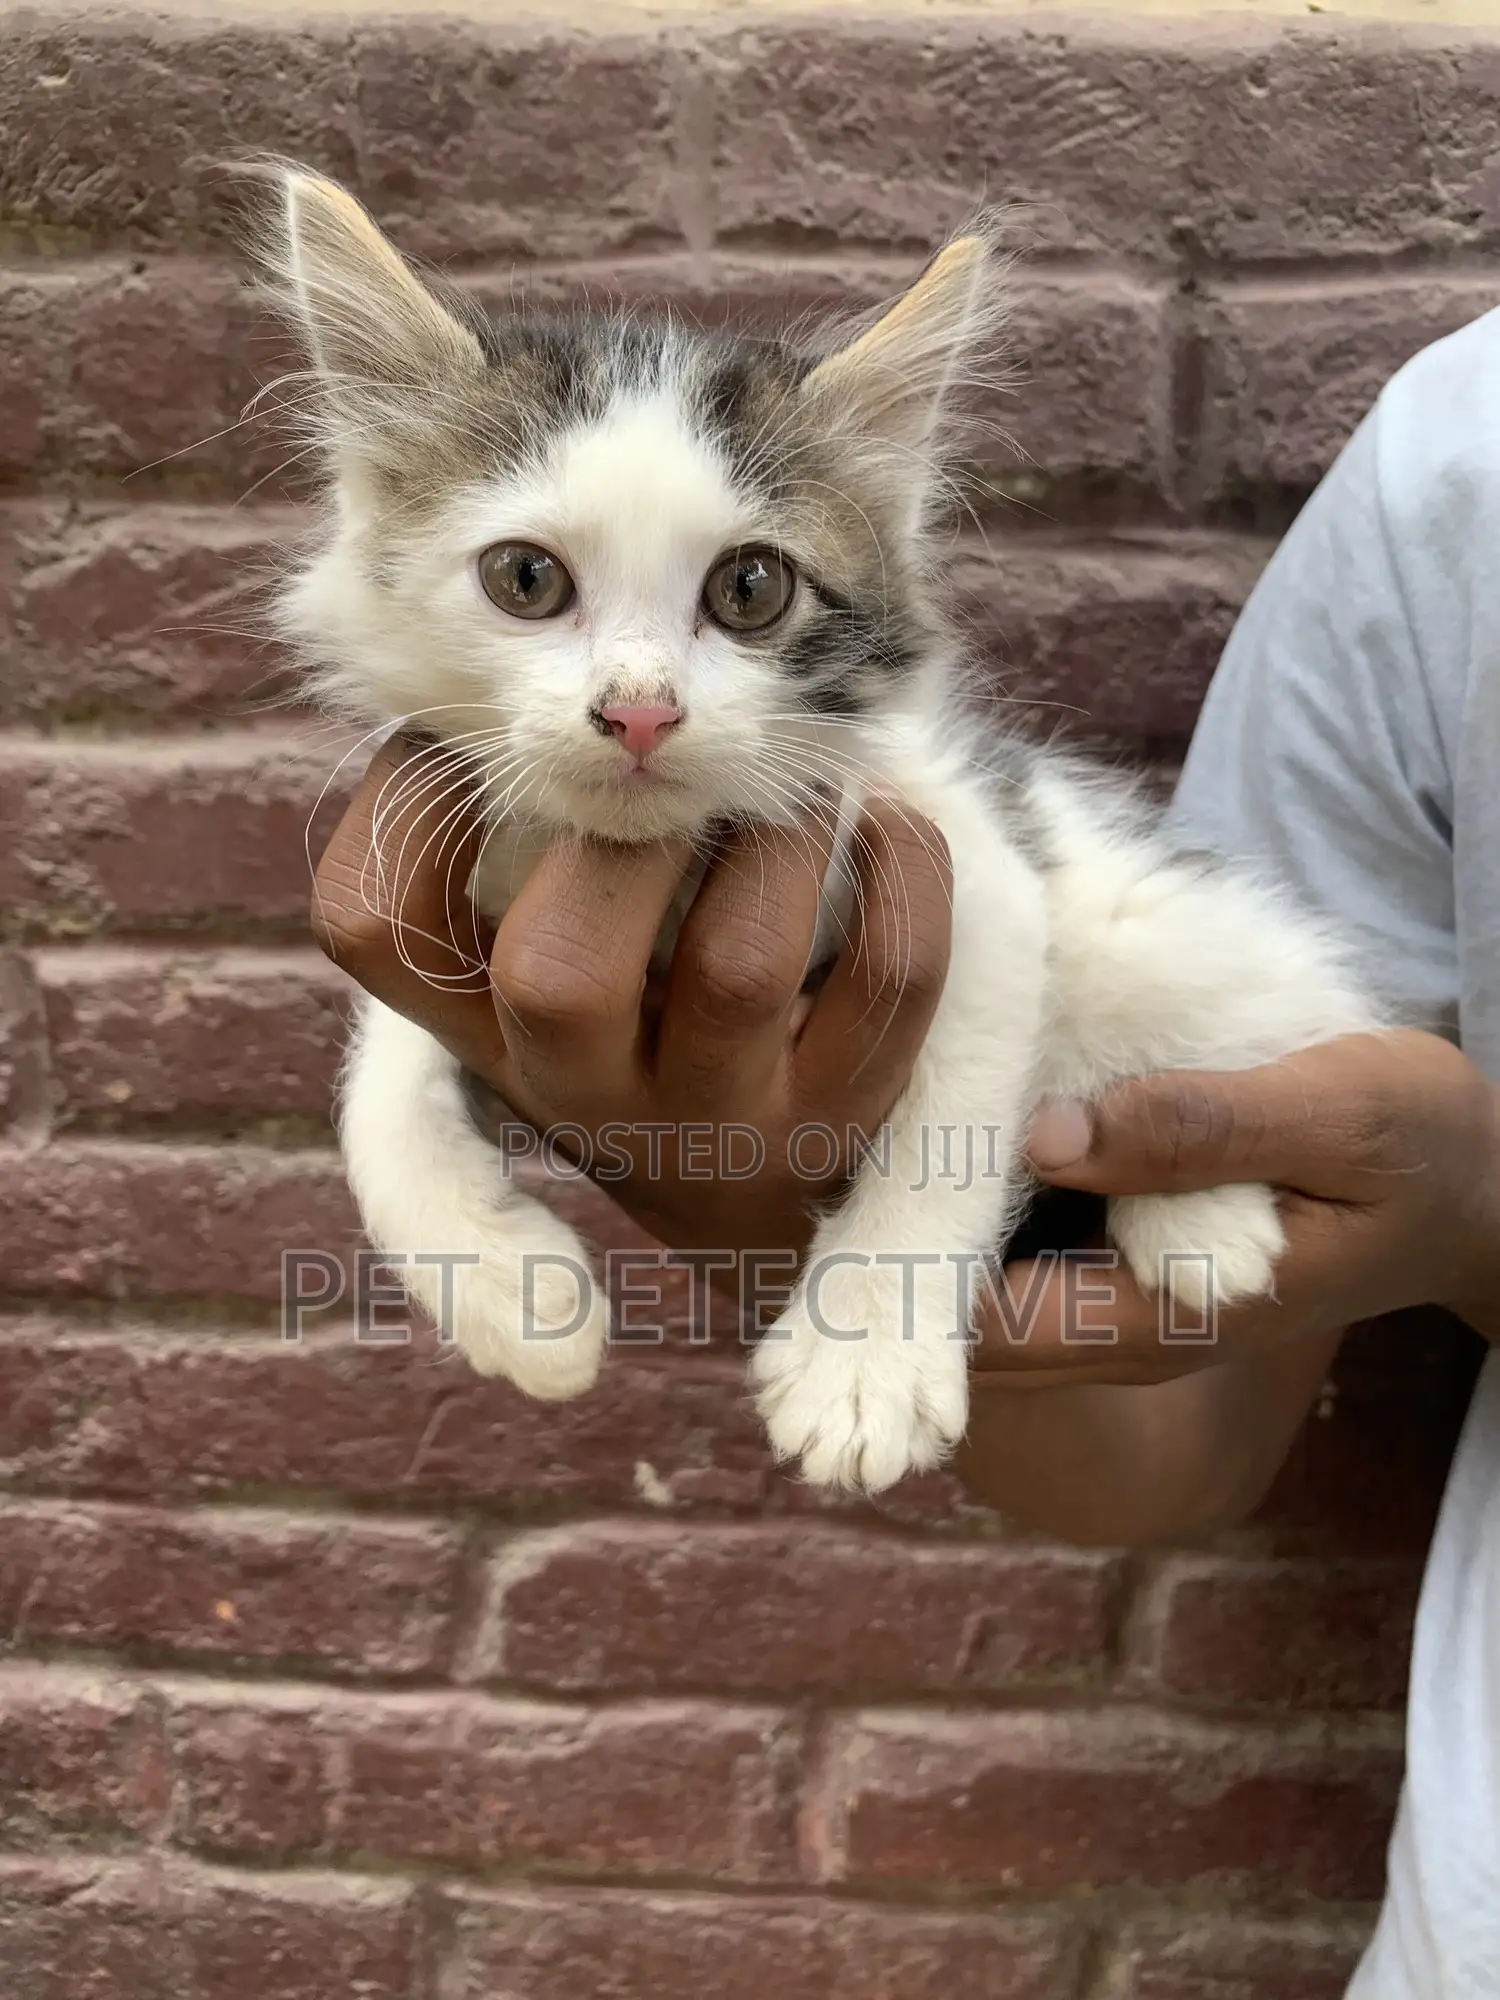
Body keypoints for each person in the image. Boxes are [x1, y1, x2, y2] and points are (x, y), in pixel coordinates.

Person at [309, 309, 1500, 1997]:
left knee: (1167, 978)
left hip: (1121, 1017)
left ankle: (1192, 1165)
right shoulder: (1456, 450)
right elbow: (440, 994)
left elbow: (992, 928)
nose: (638, 698)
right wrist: (438, 1187)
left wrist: (894, 1271)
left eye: (746, 591)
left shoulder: (863, 787)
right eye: (529, 582)